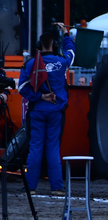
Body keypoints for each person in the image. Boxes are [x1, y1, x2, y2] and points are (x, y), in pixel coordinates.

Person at [18, 23, 75, 196]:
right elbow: (71, 53)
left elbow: (22, 88)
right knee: (52, 147)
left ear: (38, 46)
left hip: (37, 111)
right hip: (55, 111)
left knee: (35, 147)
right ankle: (57, 187)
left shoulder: (31, 64)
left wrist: (40, 97)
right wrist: (66, 34)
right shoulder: (62, 62)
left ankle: (31, 187)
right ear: (54, 45)